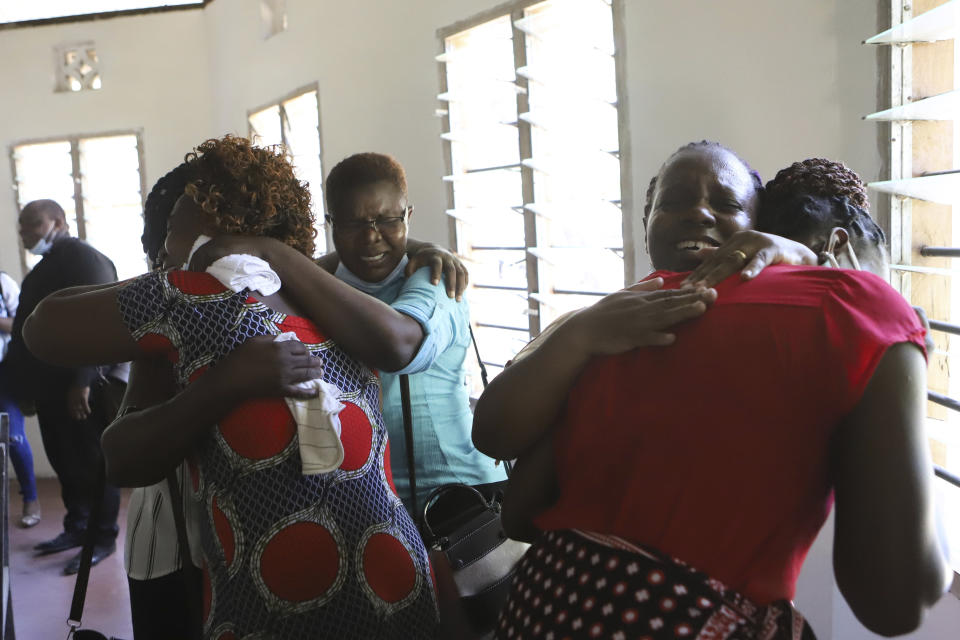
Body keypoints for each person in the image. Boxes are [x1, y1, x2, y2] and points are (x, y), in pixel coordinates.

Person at [473, 144, 950, 638]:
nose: (700, 214)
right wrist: (898, 338)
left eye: (725, 205)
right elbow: (895, 603)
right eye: (676, 201)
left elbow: (522, 510)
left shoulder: (625, 320)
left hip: (545, 607)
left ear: (760, 228)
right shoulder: (862, 310)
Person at [22, 136, 438, 638]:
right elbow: (397, 342)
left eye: (177, 219)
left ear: (216, 224)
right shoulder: (328, 298)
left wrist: (217, 368)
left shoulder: (181, 297)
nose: (166, 235)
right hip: (393, 583)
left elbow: (42, 329)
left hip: (277, 609)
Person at [323, 152, 505, 512]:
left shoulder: (435, 278)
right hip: (372, 501)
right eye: (353, 224)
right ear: (332, 224)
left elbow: (398, 347)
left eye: (388, 219)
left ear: (408, 215)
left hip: (458, 495)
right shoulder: (325, 286)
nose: (372, 237)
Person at [6, 199, 126, 574]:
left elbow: (99, 323)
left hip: (78, 388)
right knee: (65, 462)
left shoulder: (84, 259)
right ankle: (76, 528)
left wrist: (83, 380)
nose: (25, 232)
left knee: (92, 463)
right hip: (48, 387)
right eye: (21, 225)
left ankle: (102, 538)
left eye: (32, 224)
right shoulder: (49, 265)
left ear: (57, 221)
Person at [0, 270, 40, 527]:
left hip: (5, 373)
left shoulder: (3, 283)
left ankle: (31, 499)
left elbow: (20, 323)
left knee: (13, 437)